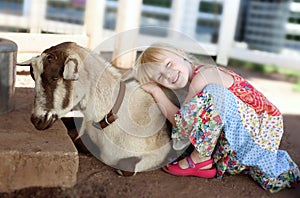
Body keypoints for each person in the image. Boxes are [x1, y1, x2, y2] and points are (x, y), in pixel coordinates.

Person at [133, 42, 300, 193]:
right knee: (199, 108)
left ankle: (200, 159)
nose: (168, 75)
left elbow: (182, 124)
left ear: (181, 52)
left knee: (214, 92)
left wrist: (156, 92)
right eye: (160, 78)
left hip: (258, 133)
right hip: (235, 145)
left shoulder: (205, 75)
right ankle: (279, 171)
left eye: (169, 64)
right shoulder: (191, 84)